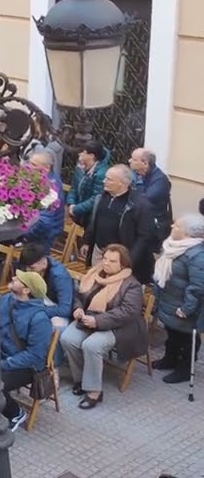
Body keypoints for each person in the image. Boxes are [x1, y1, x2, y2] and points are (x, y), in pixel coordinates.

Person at [61, 244, 147, 409]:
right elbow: (79, 295)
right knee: (67, 338)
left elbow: (128, 312)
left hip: (119, 327)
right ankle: (81, 379)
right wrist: (77, 308)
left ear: (123, 265)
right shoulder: (95, 274)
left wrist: (98, 321)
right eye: (105, 258)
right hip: (90, 318)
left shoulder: (131, 285)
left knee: (92, 345)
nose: (106, 263)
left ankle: (94, 392)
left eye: (112, 261)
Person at [0, 269, 53, 431]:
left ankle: (15, 413)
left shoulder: (40, 319)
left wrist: (3, 364)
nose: (13, 277)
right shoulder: (6, 300)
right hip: (0, 353)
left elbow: (34, 356)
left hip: (24, 366)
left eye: (18, 279)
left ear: (27, 290)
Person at [82, 164, 156, 283]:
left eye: (109, 179)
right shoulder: (102, 197)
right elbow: (94, 221)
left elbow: (144, 236)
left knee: (116, 292)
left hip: (121, 259)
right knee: (95, 285)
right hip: (99, 251)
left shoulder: (140, 205)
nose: (104, 181)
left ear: (123, 183)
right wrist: (87, 241)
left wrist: (128, 261)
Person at [153, 213, 204, 384]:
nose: (172, 227)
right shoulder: (173, 246)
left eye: (177, 226)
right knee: (172, 332)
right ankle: (170, 359)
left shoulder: (198, 255)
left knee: (187, 337)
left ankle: (184, 369)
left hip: (185, 306)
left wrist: (187, 308)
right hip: (170, 299)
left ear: (188, 233)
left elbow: (198, 287)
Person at [18, 242, 77, 329]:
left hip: (57, 311)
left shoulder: (59, 275)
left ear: (43, 263)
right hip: (41, 304)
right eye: (26, 267)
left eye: (32, 268)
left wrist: (37, 311)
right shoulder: (31, 269)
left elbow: (65, 309)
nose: (27, 271)